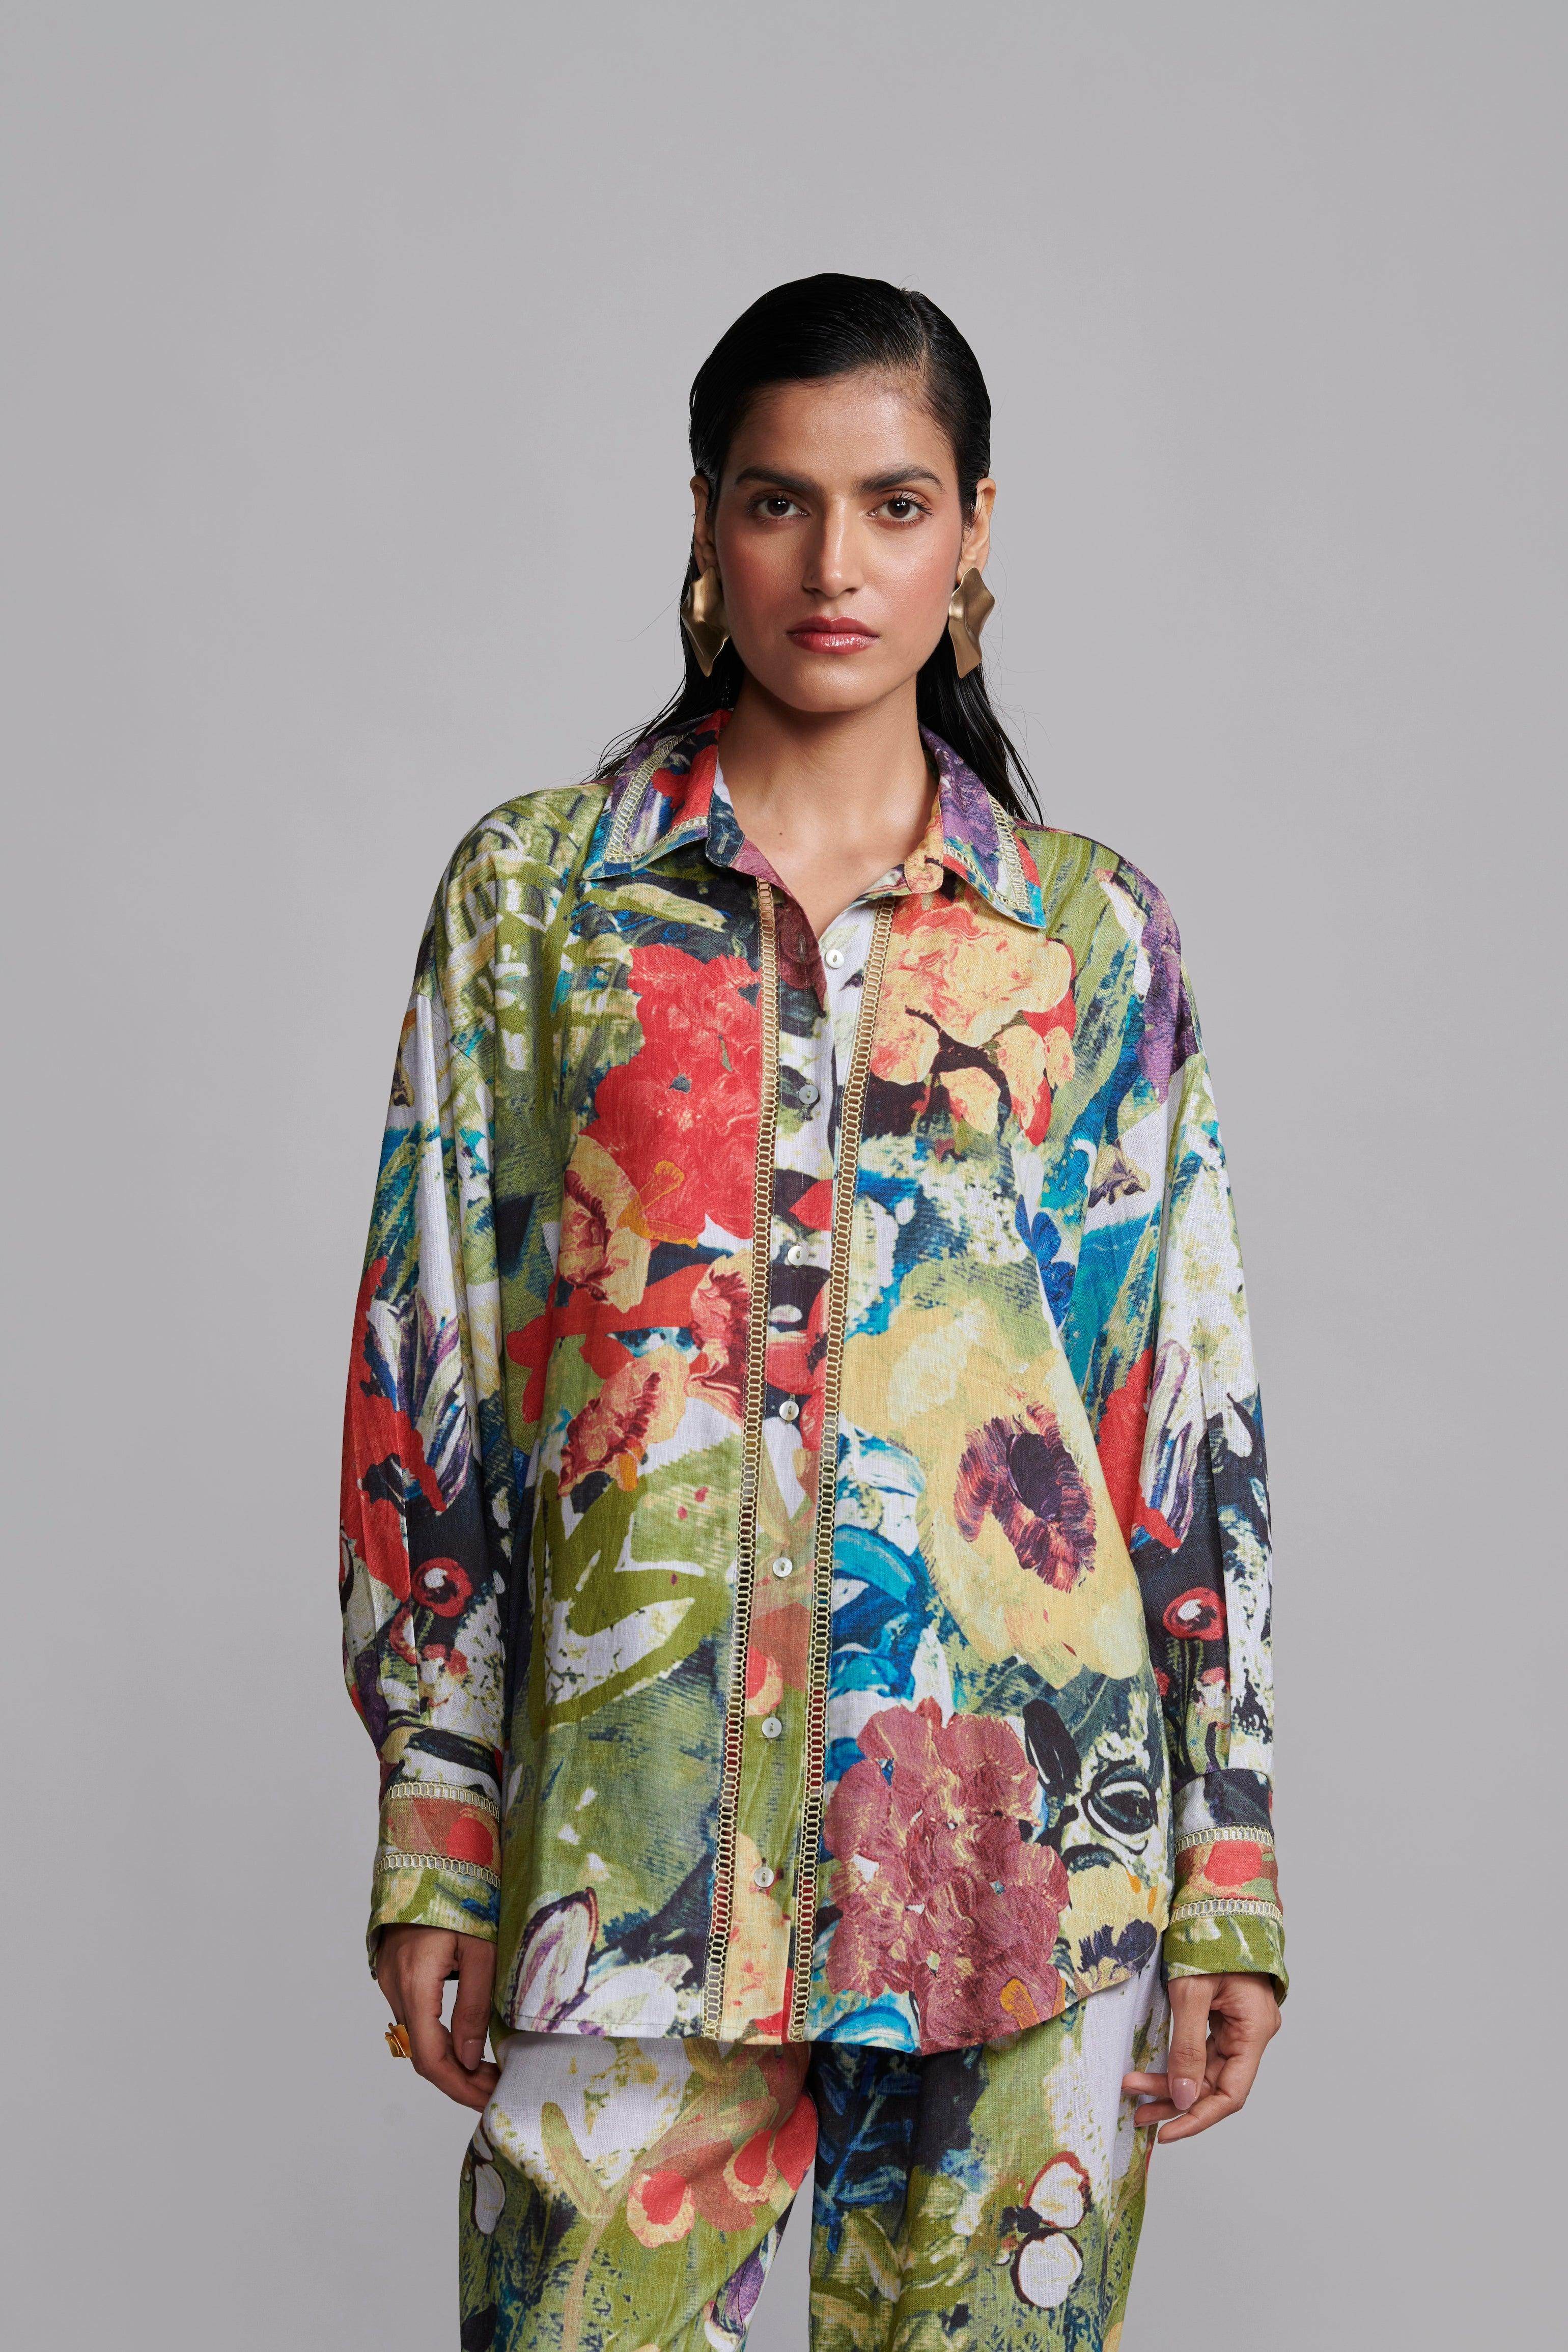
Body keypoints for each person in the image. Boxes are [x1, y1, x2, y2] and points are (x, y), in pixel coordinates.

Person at [339, 273, 1285, 2351]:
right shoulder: (539, 903)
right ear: (705, 522)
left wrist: (1223, 1855)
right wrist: (438, 1810)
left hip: (1028, 1863)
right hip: (626, 1847)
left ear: (973, 533)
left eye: (894, 504)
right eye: (778, 502)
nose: (834, 564)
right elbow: (438, 1374)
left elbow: (1175, 1415)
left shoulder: (1085, 935)